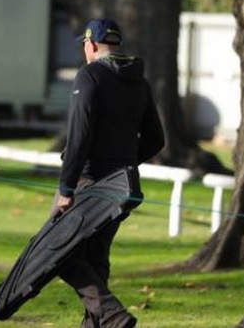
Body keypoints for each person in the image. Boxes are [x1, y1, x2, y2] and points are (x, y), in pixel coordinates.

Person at [53, 18, 165, 328]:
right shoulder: (138, 81)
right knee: (96, 258)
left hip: (87, 182)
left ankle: (113, 315)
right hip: (122, 186)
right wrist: (124, 166)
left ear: (90, 45)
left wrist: (66, 189)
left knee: (59, 253)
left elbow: (79, 137)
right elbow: (156, 140)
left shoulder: (89, 76)